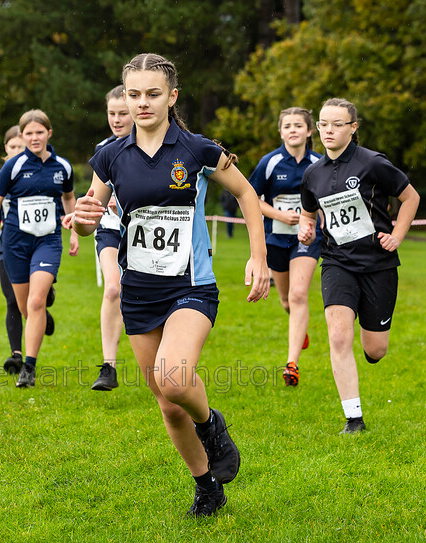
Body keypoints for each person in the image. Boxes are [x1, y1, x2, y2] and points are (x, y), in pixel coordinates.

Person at [72, 53, 270, 517]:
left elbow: (246, 194)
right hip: (139, 292)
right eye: (134, 95)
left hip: (191, 286)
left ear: (172, 96)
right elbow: (90, 216)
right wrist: (82, 222)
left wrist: (258, 258)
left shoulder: (196, 150)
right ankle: (206, 486)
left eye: (152, 94)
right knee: (167, 405)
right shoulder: (111, 155)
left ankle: (213, 424)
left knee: (175, 378)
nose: (142, 103)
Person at [298, 97, 420, 434]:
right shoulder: (312, 174)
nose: (329, 130)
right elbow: (308, 214)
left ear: (353, 127)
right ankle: (354, 419)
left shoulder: (373, 164)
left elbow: (411, 198)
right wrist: (306, 230)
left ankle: (372, 349)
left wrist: (396, 235)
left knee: (375, 349)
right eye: (324, 124)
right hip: (337, 261)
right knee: (338, 336)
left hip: (378, 264)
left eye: (338, 124)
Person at [0, 110, 78, 388]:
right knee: (25, 306)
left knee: (35, 302)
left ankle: (29, 367)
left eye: (39, 132)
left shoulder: (63, 167)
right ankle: (41, 314)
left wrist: (74, 233)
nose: (34, 138)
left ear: (49, 133)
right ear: (22, 136)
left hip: (48, 241)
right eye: (28, 133)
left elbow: (69, 198)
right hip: (15, 243)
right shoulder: (11, 168)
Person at [248, 107, 322, 387]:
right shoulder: (270, 162)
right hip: (275, 238)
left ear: (308, 131)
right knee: (287, 301)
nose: (293, 130)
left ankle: (292, 364)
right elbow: (252, 198)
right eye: (287, 126)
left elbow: (328, 199)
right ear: (281, 132)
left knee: (299, 293)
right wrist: (280, 215)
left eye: (298, 125)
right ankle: (298, 327)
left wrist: (311, 222)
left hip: (307, 240)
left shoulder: (319, 162)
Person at [0, 126, 57, 376]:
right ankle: (16, 354)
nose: (18, 150)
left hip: (41, 243)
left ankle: (41, 308)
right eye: (13, 147)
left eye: (22, 146)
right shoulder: (2, 176)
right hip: (10, 245)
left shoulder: (43, 171)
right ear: (5, 150)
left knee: (37, 298)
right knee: (12, 301)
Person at [91, 85, 133, 391]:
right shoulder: (103, 149)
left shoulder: (153, 148)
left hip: (143, 234)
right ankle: (109, 367)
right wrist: (83, 212)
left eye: (123, 113)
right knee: (113, 289)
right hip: (109, 229)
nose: (116, 120)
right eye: (111, 113)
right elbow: (94, 196)